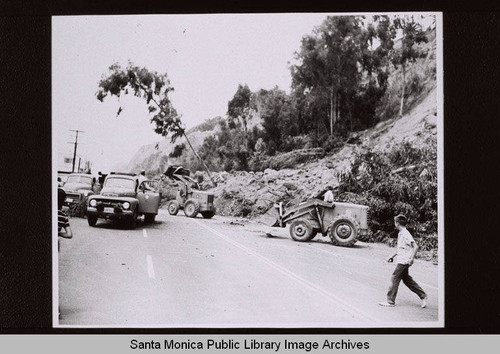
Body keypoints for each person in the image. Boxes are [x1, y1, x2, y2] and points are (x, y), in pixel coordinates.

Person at [379, 215, 427, 308]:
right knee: (407, 280)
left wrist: (411, 258)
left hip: (404, 261)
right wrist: (391, 256)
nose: (394, 224)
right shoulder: (401, 233)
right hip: (402, 260)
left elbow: (415, 246)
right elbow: (400, 249)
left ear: (397, 223)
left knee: (394, 278)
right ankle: (423, 295)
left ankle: (390, 301)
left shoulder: (405, 233)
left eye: (395, 222)